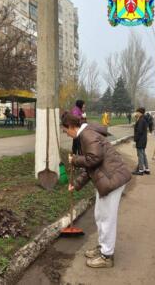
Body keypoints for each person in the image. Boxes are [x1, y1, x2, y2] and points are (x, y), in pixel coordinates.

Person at [62, 112, 131, 268]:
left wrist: (75, 160)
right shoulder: (86, 134)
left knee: (107, 218)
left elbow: (94, 158)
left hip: (112, 179)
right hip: (106, 179)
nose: (67, 135)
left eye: (66, 131)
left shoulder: (87, 135)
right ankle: (102, 247)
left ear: (72, 127)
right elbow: (91, 166)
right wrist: (77, 184)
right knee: (100, 215)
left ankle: (107, 256)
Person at [132, 107, 150, 175]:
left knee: (140, 155)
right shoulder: (143, 119)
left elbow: (139, 131)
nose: (136, 113)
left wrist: (135, 139)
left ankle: (141, 170)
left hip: (140, 140)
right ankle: (146, 169)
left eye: (137, 112)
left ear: (140, 113)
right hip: (143, 139)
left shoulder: (141, 120)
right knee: (143, 154)